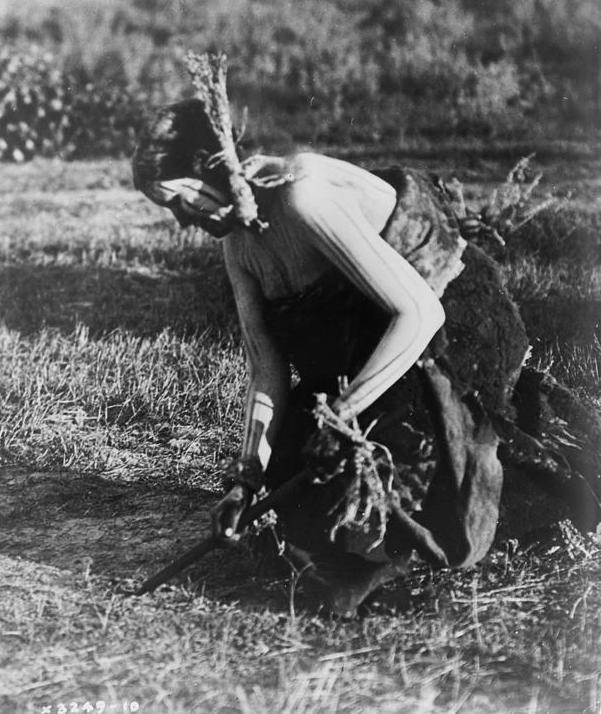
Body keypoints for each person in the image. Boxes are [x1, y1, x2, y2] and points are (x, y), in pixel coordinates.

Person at [132, 95, 601, 616]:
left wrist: (343, 419)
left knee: (397, 491)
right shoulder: (238, 247)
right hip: (368, 352)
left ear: (209, 168)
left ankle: (510, 442)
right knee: (306, 497)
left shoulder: (301, 196)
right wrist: (244, 480)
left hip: (450, 326)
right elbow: (267, 370)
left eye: (177, 201)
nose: (179, 220)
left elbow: (421, 314)